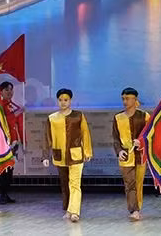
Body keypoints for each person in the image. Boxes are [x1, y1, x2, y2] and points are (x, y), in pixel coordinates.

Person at [42, 89, 93, 222]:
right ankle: (67, 209)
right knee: (65, 184)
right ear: (57, 101)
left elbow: (85, 133)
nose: (63, 102)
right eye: (60, 100)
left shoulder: (78, 116)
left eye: (66, 100)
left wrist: (87, 151)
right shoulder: (52, 118)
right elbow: (47, 138)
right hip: (60, 155)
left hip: (76, 154)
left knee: (75, 183)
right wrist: (45, 156)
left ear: (70, 100)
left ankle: (74, 212)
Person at [112, 87, 150, 221]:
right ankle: (134, 210)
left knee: (138, 183)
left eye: (127, 98)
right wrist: (119, 151)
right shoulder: (118, 117)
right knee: (129, 184)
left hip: (140, 155)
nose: (125, 101)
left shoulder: (145, 116)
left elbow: (150, 135)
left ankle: (137, 209)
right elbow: (115, 138)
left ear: (135, 99)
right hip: (125, 155)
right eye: (123, 98)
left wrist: (142, 142)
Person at [0, 81, 22, 204]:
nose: (9, 92)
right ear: (1, 91)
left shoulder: (13, 106)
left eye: (11, 90)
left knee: (10, 168)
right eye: (6, 90)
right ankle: (2, 194)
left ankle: (5, 193)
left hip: (13, 141)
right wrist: (14, 114)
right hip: (2, 141)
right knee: (3, 169)